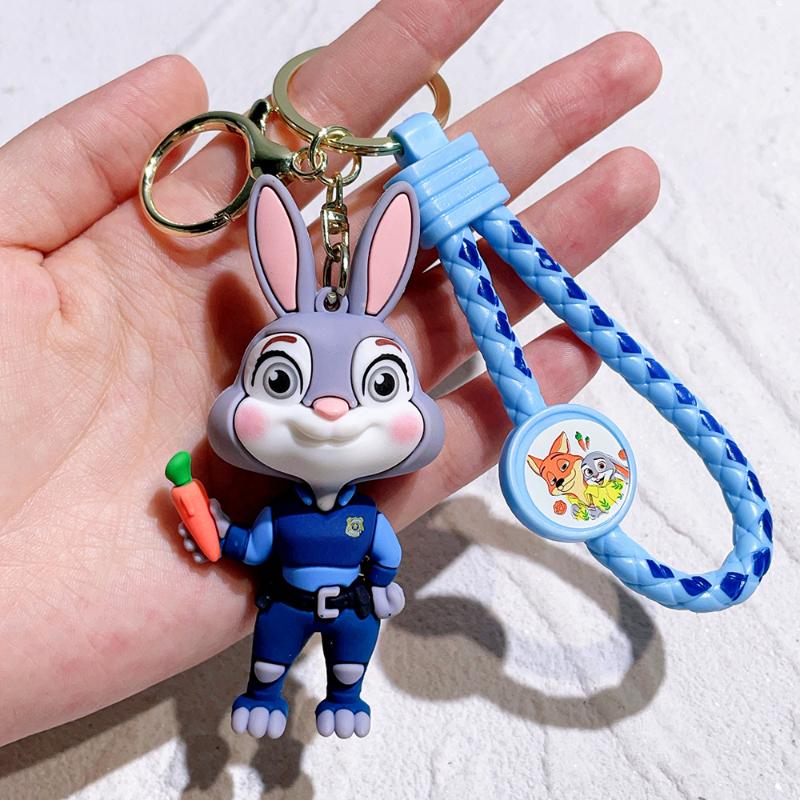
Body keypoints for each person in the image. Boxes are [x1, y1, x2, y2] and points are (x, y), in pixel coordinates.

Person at [0, 0, 661, 746]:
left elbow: (382, 560)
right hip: (283, 603)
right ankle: (269, 689)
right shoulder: (283, 516)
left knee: (351, 653)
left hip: (348, 608)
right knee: (272, 652)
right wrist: (207, 523)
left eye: (378, 387)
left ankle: (345, 694)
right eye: (283, 383)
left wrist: (384, 587)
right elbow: (248, 550)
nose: (331, 412)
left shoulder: (365, 521)